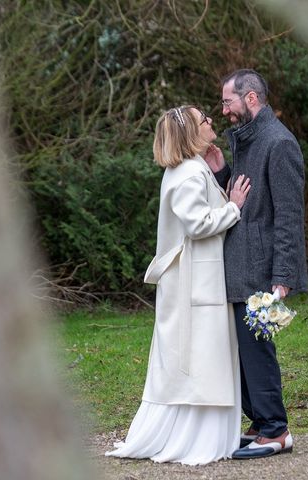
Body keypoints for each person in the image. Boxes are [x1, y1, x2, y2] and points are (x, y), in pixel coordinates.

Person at [106, 105, 251, 465]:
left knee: (198, 360)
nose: (211, 122)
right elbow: (198, 224)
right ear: (190, 133)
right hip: (193, 285)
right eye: (204, 120)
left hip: (194, 281)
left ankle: (203, 436)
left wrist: (217, 174)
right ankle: (195, 440)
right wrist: (234, 207)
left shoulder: (191, 169)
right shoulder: (186, 174)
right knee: (197, 360)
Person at [205, 69, 308, 459]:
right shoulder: (249, 139)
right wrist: (221, 170)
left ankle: (275, 430)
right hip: (239, 265)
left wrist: (282, 279)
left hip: (262, 270)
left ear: (251, 99)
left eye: (228, 101)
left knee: (256, 350)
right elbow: (247, 199)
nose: (224, 110)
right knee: (240, 351)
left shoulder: (279, 143)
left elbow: (286, 216)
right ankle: (258, 421)